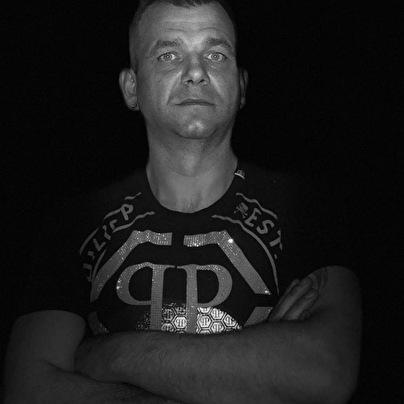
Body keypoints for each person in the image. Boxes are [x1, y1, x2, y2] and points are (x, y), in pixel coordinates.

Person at [4, 0, 361, 403]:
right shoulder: (78, 220)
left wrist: (113, 354)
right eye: (169, 55)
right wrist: (254, 375)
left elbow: (326, 371)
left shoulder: (303, 207)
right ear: (132, 88)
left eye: (216, 54)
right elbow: (28, 389)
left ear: (242, 85)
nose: (196, 72)